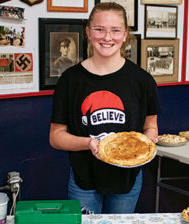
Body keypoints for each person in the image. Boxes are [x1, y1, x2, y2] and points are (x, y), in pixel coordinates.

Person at [49, 2, 160, 214]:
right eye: (99, 29)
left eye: (115, 30)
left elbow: (151, 127)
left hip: (127, 180)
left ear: (125, 34)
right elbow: (56, 137)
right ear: (88, 32)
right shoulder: (70, 80)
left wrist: (148, 140)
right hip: (84, 180)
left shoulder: (142, 80)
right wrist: (90, 143)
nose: (107, 38)